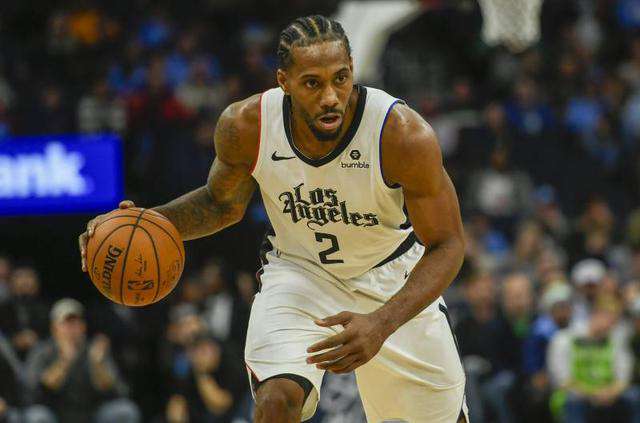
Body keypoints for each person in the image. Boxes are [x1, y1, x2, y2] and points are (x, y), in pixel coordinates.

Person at [79, 15, 467, 423]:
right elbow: (220, 204)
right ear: (284, 81)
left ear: (353, 69)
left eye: (340, 78)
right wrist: (141, 223)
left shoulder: (401, 134)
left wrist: (382, 322)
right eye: (312, 83)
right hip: (301, 274)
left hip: (392, 277)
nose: (331, 96)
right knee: (275, 402)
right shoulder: (247, 126)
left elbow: (449, 244)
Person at [25, 298, 140, 423]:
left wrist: (97, 364)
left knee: (125, 410)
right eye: (67, 323)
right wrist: (65, 360)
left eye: (76, 323)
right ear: (54, 328)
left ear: (83, 326)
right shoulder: (42, 351)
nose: (72, 329)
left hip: (91, 414)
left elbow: (115, 390)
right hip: (56, 414)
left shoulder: (95, 350)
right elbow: (36, 391)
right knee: (37, 416)